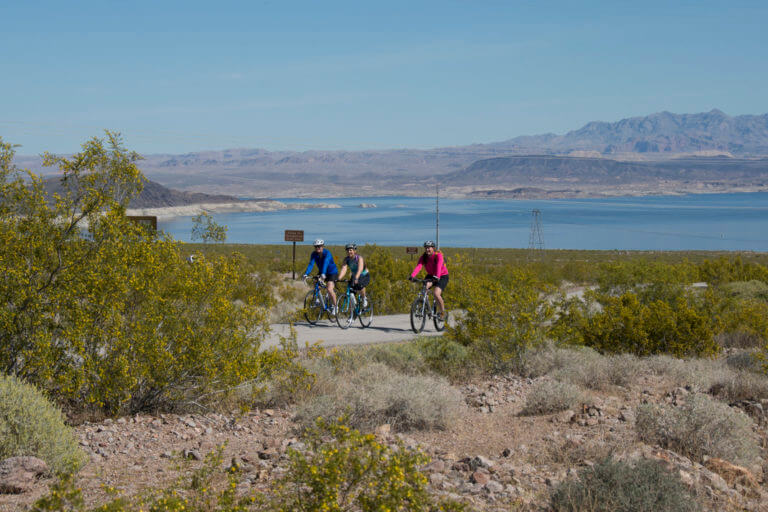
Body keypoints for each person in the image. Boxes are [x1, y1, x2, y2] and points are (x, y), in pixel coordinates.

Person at [409, 240, 448, 318]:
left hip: (442, 275)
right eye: (426, 248)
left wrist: (436, 277)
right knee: (424, 289)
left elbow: (439, 266)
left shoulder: (438, 255)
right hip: (431, 275)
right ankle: (426, 306)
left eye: (429, 248)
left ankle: (443, 312)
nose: (427, 250)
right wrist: (412, 276)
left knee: (436, 293)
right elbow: (419, 266)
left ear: (433, 248)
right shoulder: (424, 257)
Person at [302, 239, 339, 313]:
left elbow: (326, 263)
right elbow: (311, 264)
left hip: (332, 272)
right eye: (316, 247)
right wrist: (306, 274)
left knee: (329, 289)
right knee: (316, 283)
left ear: (323, 246)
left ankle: (335, 306)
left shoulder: (327, 253)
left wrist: (323, 273)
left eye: (319, 246)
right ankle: (318, 299)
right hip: (322, 271)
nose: (317, 248)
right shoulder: (314, 254)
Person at [337, 243, 370, 308]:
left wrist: (356, 278)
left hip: (364, 275)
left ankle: (364, 298)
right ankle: (354, 310)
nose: (349, 252)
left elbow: (360, 269)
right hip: (355, 276)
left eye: (351, 250)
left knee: (360, 286)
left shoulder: (359, 258)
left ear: (354, 251)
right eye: (348, 250)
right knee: (351, 292)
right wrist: (338, 278)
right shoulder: (346, 260)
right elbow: (344, 270)